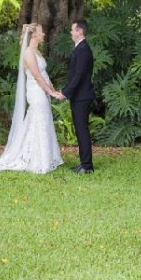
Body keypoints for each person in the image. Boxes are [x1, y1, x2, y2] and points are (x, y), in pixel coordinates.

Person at [0, 24, 64, 174]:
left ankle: (45, 156)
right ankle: (37, 160)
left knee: (42, 121)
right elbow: (37, 76)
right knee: (38, 121)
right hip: (36, 92)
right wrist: (49, 92)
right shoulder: (28, 53)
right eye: (41, 32)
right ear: (34, 35)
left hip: (42, 90)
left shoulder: (36, 51)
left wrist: (52, 89)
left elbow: (44, 74)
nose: (44, 34)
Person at [62, 20, 95, 173]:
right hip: (80, 96)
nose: (71, 32)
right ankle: (84, 163)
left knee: (82, 130)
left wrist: (65, 93)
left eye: (72, 29)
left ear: (79, 32)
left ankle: (87, 166)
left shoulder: (82, 49)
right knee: (81, 129)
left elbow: (78, 75)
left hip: (82, 97)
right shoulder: (81, 48)